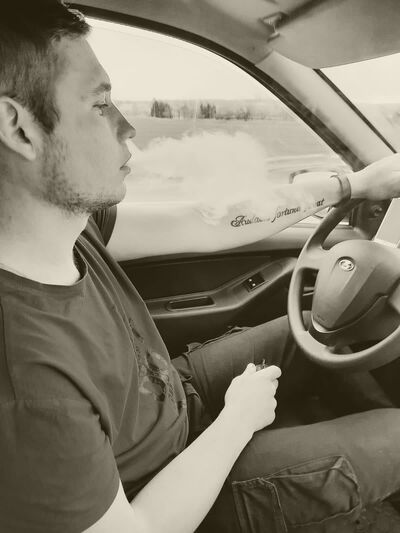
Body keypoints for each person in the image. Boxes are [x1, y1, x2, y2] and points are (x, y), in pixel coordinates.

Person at [1, 2, 400, 532]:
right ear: (18, 128)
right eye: (100, 105)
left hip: (173, 398)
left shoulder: (75, 226)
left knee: (321, 325)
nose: (127, 127)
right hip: (170, 491)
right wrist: (237, 421)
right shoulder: (23, 381)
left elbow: (207, 220)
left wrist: (355, 184)